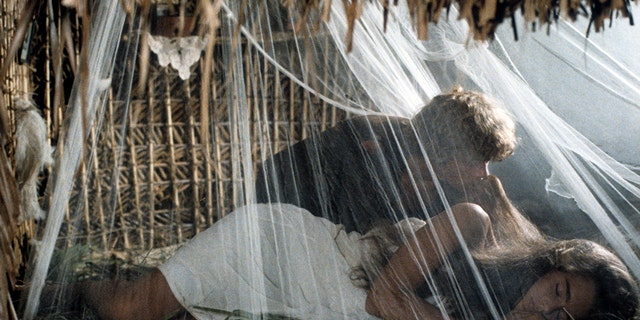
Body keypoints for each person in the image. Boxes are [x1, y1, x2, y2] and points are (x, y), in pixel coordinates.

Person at [40, 176, 638, 320]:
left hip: (306, 307)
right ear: (550, 264)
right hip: (287, 250)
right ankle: (70, 269)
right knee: (128, 312)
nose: (542, 310)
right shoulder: (474, 225)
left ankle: (122, 275)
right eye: (555, 290)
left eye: (562, 316)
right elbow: (384, 296)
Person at [255, 86, 518, 233]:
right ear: (446, 151)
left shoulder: (443, 174)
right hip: (280, 216)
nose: (482, 172)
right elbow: (359, 232)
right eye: (474, 163)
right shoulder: (371, 150)